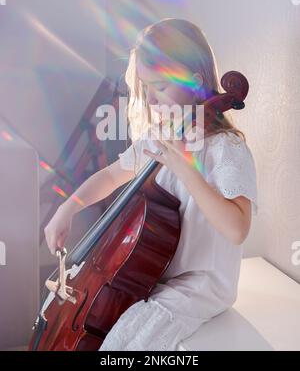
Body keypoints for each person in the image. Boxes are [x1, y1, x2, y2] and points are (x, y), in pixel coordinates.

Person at [44, 18, 258, 351]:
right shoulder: (159, 139)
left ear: (195, 84)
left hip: (200, 285)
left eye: (160, 86)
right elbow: (113, 175)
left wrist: (187, 168)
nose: (152, 101)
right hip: (158, 276)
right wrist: (68, 207)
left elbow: (237, 229)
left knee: (125, 343)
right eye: (146, 89)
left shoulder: (225, 148)